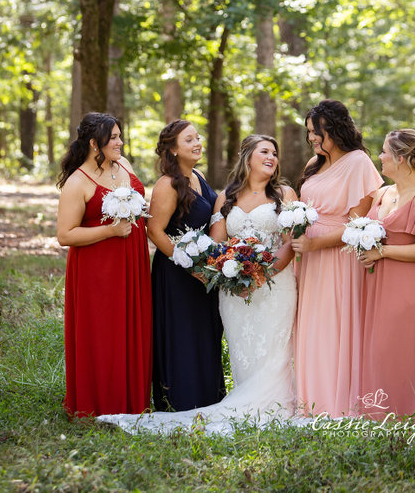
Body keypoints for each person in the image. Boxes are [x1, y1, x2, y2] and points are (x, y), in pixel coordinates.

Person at [98, 134, 298, 434]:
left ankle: (278, 406)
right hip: (236, 289)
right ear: (247, 157)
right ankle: (246, 400)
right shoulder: (226, 197)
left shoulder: (285, 194)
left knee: (276, 351)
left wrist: (264, 274)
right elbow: (216, 244)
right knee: (244, 350)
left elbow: (290, 243)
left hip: (275, 286)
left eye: (275, 153)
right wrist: (227, 272)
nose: (272, 157)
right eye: (264, 151)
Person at [291, 99, 383, 417]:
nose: (312, 138)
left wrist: (317, 245)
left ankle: (338, 401)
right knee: (311, 326)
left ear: (334, 128)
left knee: (335, 327)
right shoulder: (314, 165)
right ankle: (311, 398)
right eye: (308, 132)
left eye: (316, 131)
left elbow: (356, 224)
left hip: (337, 259)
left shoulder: (358, 163)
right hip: (309, 260)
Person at [57, 112, 152, 417]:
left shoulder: (124, 165)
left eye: (120, 136)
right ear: (94, 143)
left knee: (131, 327)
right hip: (97, 269)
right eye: (113, 138)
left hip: (132, 261)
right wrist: (110, 230)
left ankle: (132, 399)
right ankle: (99, 403)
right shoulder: (77, 182)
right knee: (103, 332)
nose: (120, 142)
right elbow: (65, 234)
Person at [356, 129, 415, 420]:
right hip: (379, 281)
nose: (381, 157)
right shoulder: (384, 193)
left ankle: (410, 413)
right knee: (380, 348)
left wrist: (382, 253)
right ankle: (380, 412)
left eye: (384, 152)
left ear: (400, 158)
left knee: (403, 347)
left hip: (410, 284)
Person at [147, 119, 225, 411]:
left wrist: (209, 266)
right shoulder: (167, 184)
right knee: (182, 333)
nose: (197, 143)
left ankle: (209, 397)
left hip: (204, 271)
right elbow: (154, 231)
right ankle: (179, 399)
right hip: (177, 273)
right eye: (189, 139)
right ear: (173, 149)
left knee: (205, 331)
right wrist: (190, 266)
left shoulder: (198, 176)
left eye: (198, 137)